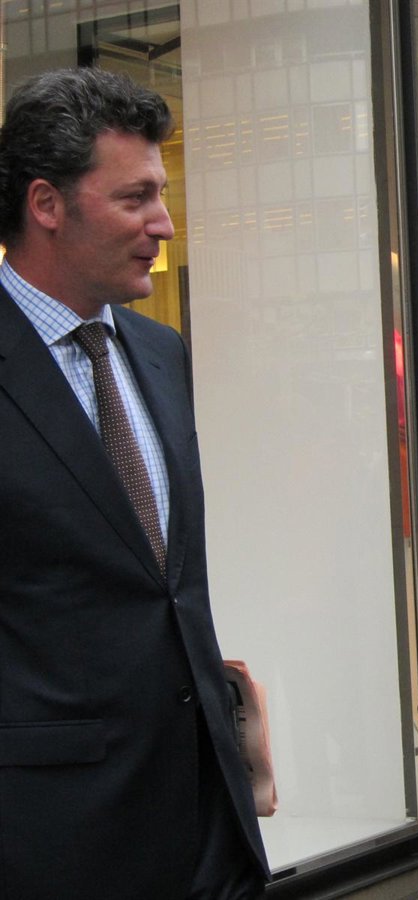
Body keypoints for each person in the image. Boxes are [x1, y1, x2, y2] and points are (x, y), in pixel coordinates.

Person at [0, 68, 268, 898]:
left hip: (207, 823)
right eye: (136, 197)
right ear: (47, 204)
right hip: (54, 837)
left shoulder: (160, 353)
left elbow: (168, 583)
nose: (164, 223)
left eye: (162, 194)